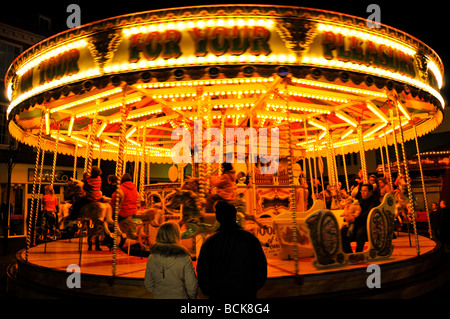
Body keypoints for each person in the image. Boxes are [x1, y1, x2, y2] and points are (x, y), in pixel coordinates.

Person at [196, 201, 267, 299]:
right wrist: (254, 286)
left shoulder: (210, 242)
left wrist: (208, 290)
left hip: (219, 293)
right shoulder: (250, 238)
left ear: (218, 217)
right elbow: (261, 265)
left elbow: (203, 270)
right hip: (246, 292)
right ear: (235, 216)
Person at [144, 221, 198, 299]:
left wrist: (159, 293)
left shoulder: (152, 258)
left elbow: (148, 283)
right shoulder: (184, 258)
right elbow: (192, 286)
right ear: (176, 236)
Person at [341, 183, 379, 253]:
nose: (363, 193)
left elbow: (368, 214)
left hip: (368, 224)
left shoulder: (374, 202)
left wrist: (354, 219)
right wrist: (348, 216)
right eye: (361, 191)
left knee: (360, 232)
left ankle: (359, 252)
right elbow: (352, 210)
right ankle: (348, 252)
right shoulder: (359, 201)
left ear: (370, 192)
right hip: (356, 222)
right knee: (343, 230)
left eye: (365, 191)